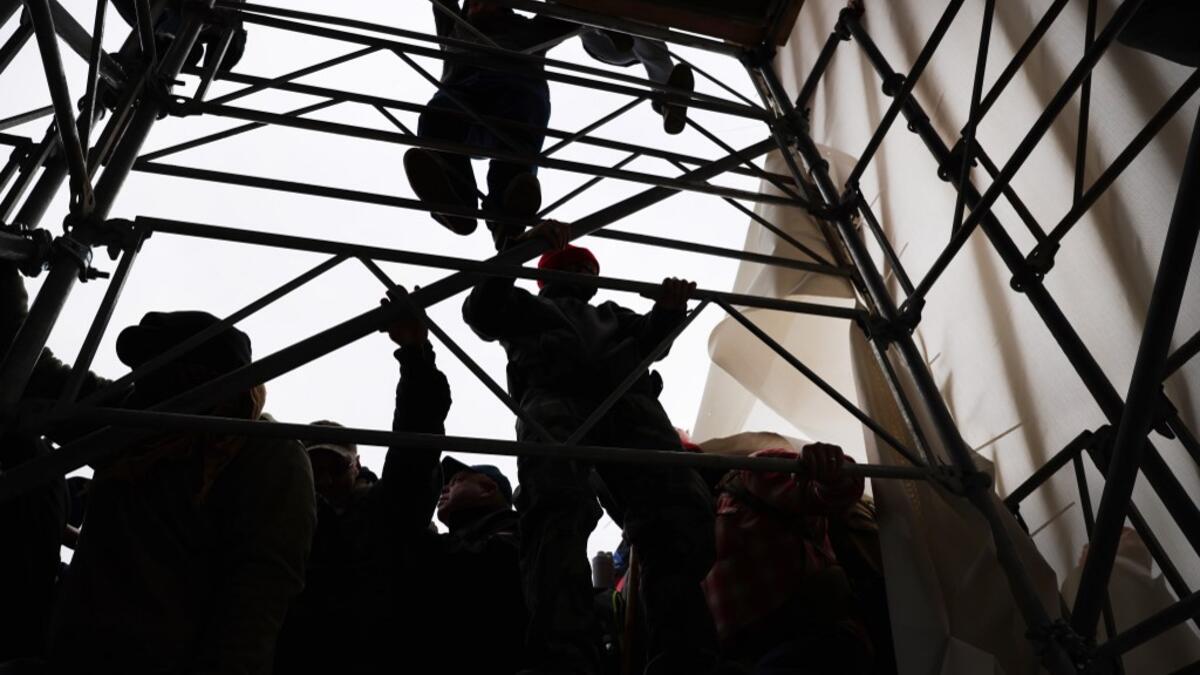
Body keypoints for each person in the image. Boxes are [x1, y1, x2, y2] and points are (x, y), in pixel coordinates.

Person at [462, 220, 720, 675]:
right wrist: (516, 252)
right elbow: (481, 311)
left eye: (587, 267)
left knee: (675, 514)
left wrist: (668, 310)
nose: (584, 274)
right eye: (574, 266)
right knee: (556, 517)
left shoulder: (612, 313)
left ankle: (681, 651)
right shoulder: (524, 306)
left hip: (627, 402)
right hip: (559, 400)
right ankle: (564, 655)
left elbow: (651, 342)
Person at [48, 311, 317, 675]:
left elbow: (256, 599)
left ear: (207, 382)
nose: (146, 384)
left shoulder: (267, 456)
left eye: (163, 371)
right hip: (75, 656)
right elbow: (43, 381)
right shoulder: (135, 425)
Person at [274, 294, 526, 674]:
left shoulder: (387, 512)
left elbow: (415, 441)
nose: (324, 479)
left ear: (358, 466)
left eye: (335, 466)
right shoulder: (284, 526)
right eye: (312, 470)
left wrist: (415, 354)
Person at [405, 0, 576, 243]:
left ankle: (507, 215)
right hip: (464, 106)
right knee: (436, 118)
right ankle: (456, 203)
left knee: (524, 116)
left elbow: (569, 13)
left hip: (513, 109)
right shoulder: (456, 27)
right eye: (473, 2)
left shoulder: (528, 29)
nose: (478, 5)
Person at [703, 443, 873, 675]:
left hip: (808, 637)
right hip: (749, 657)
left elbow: (835, 488)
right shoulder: (683, 533)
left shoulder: (749, 471)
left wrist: (826, 466)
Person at [578, 31, 695, 135]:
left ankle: (665, 99)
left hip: (605, 43)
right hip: (610, 41)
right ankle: (665, 99)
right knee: (650, 44)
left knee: (649, 43)